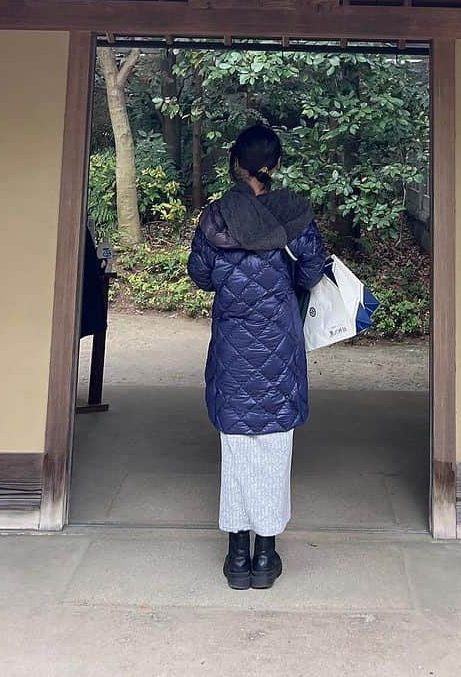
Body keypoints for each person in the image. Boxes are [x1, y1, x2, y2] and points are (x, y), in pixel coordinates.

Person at [187, 124, 327, 590]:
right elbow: (311, 271)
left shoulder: (215, 217)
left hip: (232, 344)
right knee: (273, 446)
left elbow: (201, 276)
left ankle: (235, 558)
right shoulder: (294, 213)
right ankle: (265, 557)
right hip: (279, 346)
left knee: (237, 447)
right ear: (276, 165)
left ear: (236, 164)